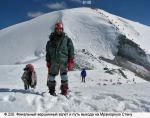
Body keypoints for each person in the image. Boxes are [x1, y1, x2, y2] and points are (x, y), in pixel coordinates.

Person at [46, 22, 75, 96]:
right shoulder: (50, 41)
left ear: (62, 29)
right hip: (53, 62)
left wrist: (71, 60)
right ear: (55, 29)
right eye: (57, 29)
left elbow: (71, 50)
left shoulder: (67, 40)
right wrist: (48, 61)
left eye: (60, 29)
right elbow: (48, 52)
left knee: (64, 76)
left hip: (63, 61)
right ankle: (51, 91)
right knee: (51, 77)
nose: (59, 30)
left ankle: (64, 91)